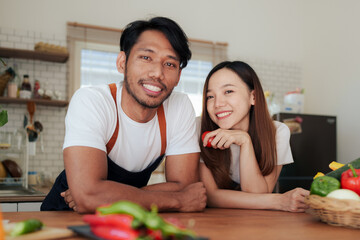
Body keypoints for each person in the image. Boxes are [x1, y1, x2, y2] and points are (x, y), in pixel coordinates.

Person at [41, 17, 207, 213]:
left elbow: (185, 186)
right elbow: (86, 197)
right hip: (65, 216)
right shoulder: (92, 101)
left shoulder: (179, 107)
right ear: (122, 62)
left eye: (170, 64)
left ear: (179, 76)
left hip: (127, 222)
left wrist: (104, 197)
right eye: (146, 57)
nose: (157, 73)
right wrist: (177, 200)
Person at [198, 61, 309, 212]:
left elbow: (259, 194)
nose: (217, 103)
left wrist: (245, 141)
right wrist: (278, 201)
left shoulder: (278, 132)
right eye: (210, 96)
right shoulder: (199, 128)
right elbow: (211, 196)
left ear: (253, 97)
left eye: (228, 91)